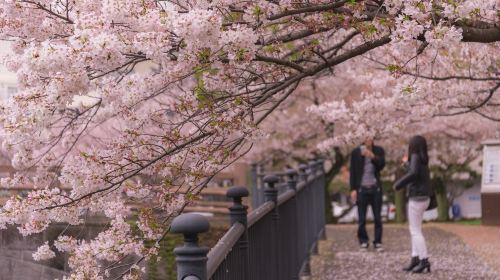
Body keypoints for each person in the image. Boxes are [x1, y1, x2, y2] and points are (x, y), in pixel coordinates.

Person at [393, 135, 433, 273]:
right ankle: (415, 258)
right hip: (425, 198)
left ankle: (424, 260)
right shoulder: (423, 158)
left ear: (412, 145)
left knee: (415, 231)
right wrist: (406, 164)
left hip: (417, 198)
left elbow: (413, 173)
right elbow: (414, 170)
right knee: (416, 229)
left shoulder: (415, 155)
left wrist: (399, 184)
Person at [349, 137, 386, 252]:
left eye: (369, 137)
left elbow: (382, 165)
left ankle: (378, 242)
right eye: (365, 137)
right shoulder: (356, 152)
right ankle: (363, 241)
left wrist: (372, 156)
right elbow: (353, 171)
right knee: (362, 219)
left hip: (375, 188)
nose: (368, 139)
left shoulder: (379, 150)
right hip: (361, 189)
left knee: (377, 218)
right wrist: (353, 189)